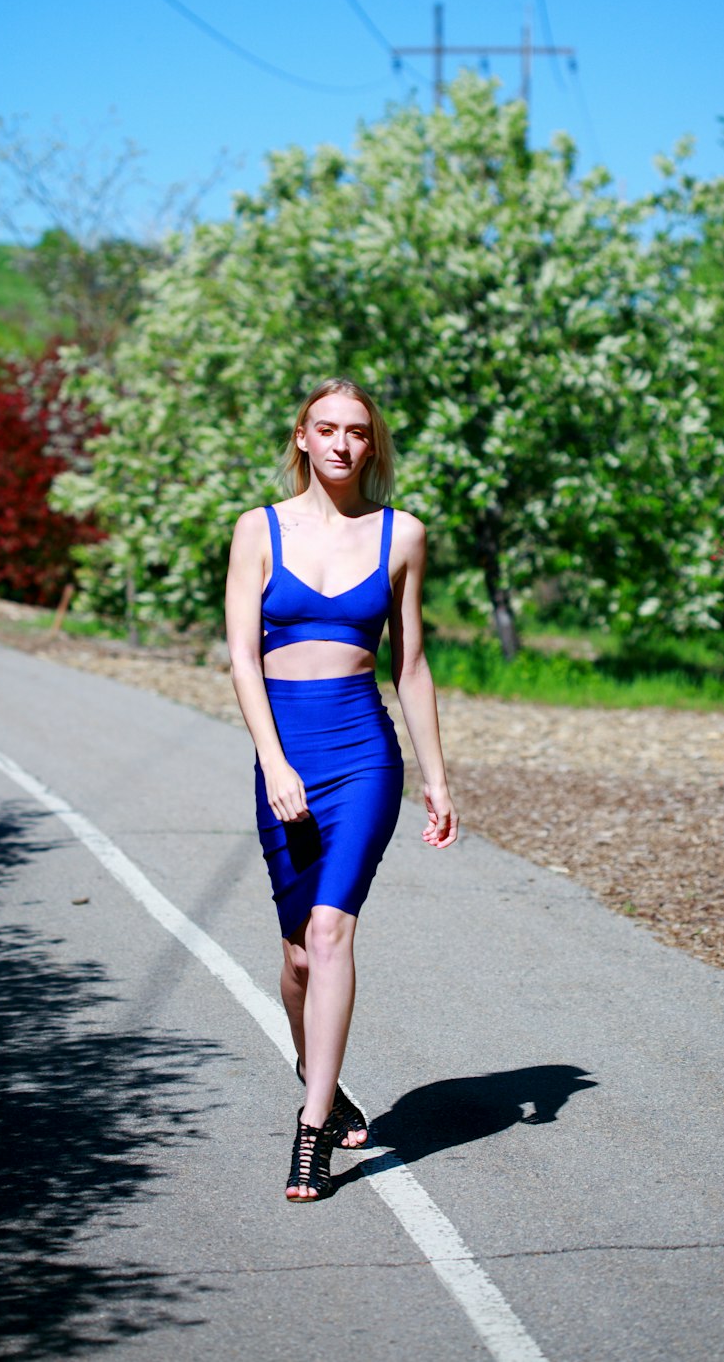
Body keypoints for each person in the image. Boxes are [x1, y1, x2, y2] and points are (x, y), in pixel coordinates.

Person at [225, 378, 458, 1201]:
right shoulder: (257, 531)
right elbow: (243, 660)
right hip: (283, 753)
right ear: (301, 437)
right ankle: (317, 1070)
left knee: (330, 932)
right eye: (325, 429)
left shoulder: (402, 536)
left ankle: (311, 1131)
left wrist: (434, 777)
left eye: (357, 433)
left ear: (372, 445)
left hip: (364, 754)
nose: (340, 444)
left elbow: (413, 665)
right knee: (295, 956)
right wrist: (275, 761)